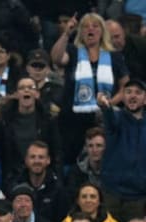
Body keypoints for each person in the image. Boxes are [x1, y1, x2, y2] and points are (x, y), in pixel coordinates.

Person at [51, 12, 130, 165]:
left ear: (102, 31)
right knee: (70, 159)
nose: (90, 29)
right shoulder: (73, 52)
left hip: (102, 117)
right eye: (85, 26)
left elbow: (125, 86)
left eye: (95, 26)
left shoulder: (114, 56)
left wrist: (109, 104)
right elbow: (56, 58)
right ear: (80, 32)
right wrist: (67, 33)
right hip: (72, 118)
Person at [97, 78, 146, 222]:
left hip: (139, 196)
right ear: (123, 97)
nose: (133, 95)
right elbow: (109, 116)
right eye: (128, 92)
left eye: (138, 92)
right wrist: (105, 106)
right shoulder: (116, 118)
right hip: (111, 193)